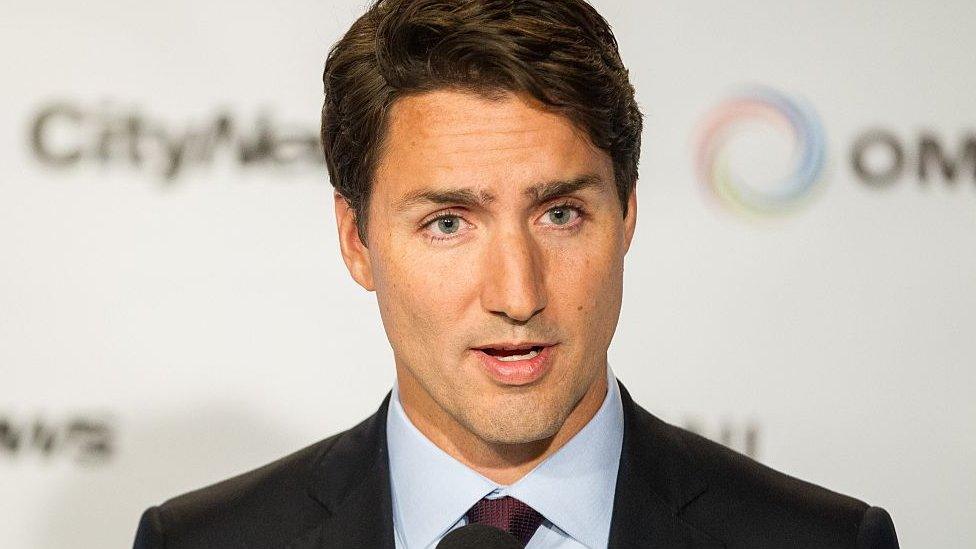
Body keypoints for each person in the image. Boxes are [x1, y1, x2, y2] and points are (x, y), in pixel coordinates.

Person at [133, 0, 899, 547]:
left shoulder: (823, 539)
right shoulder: (204, 540)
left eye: (560, 213)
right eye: (449, 223)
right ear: (356, 240)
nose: (518, 294)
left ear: (627, 212)